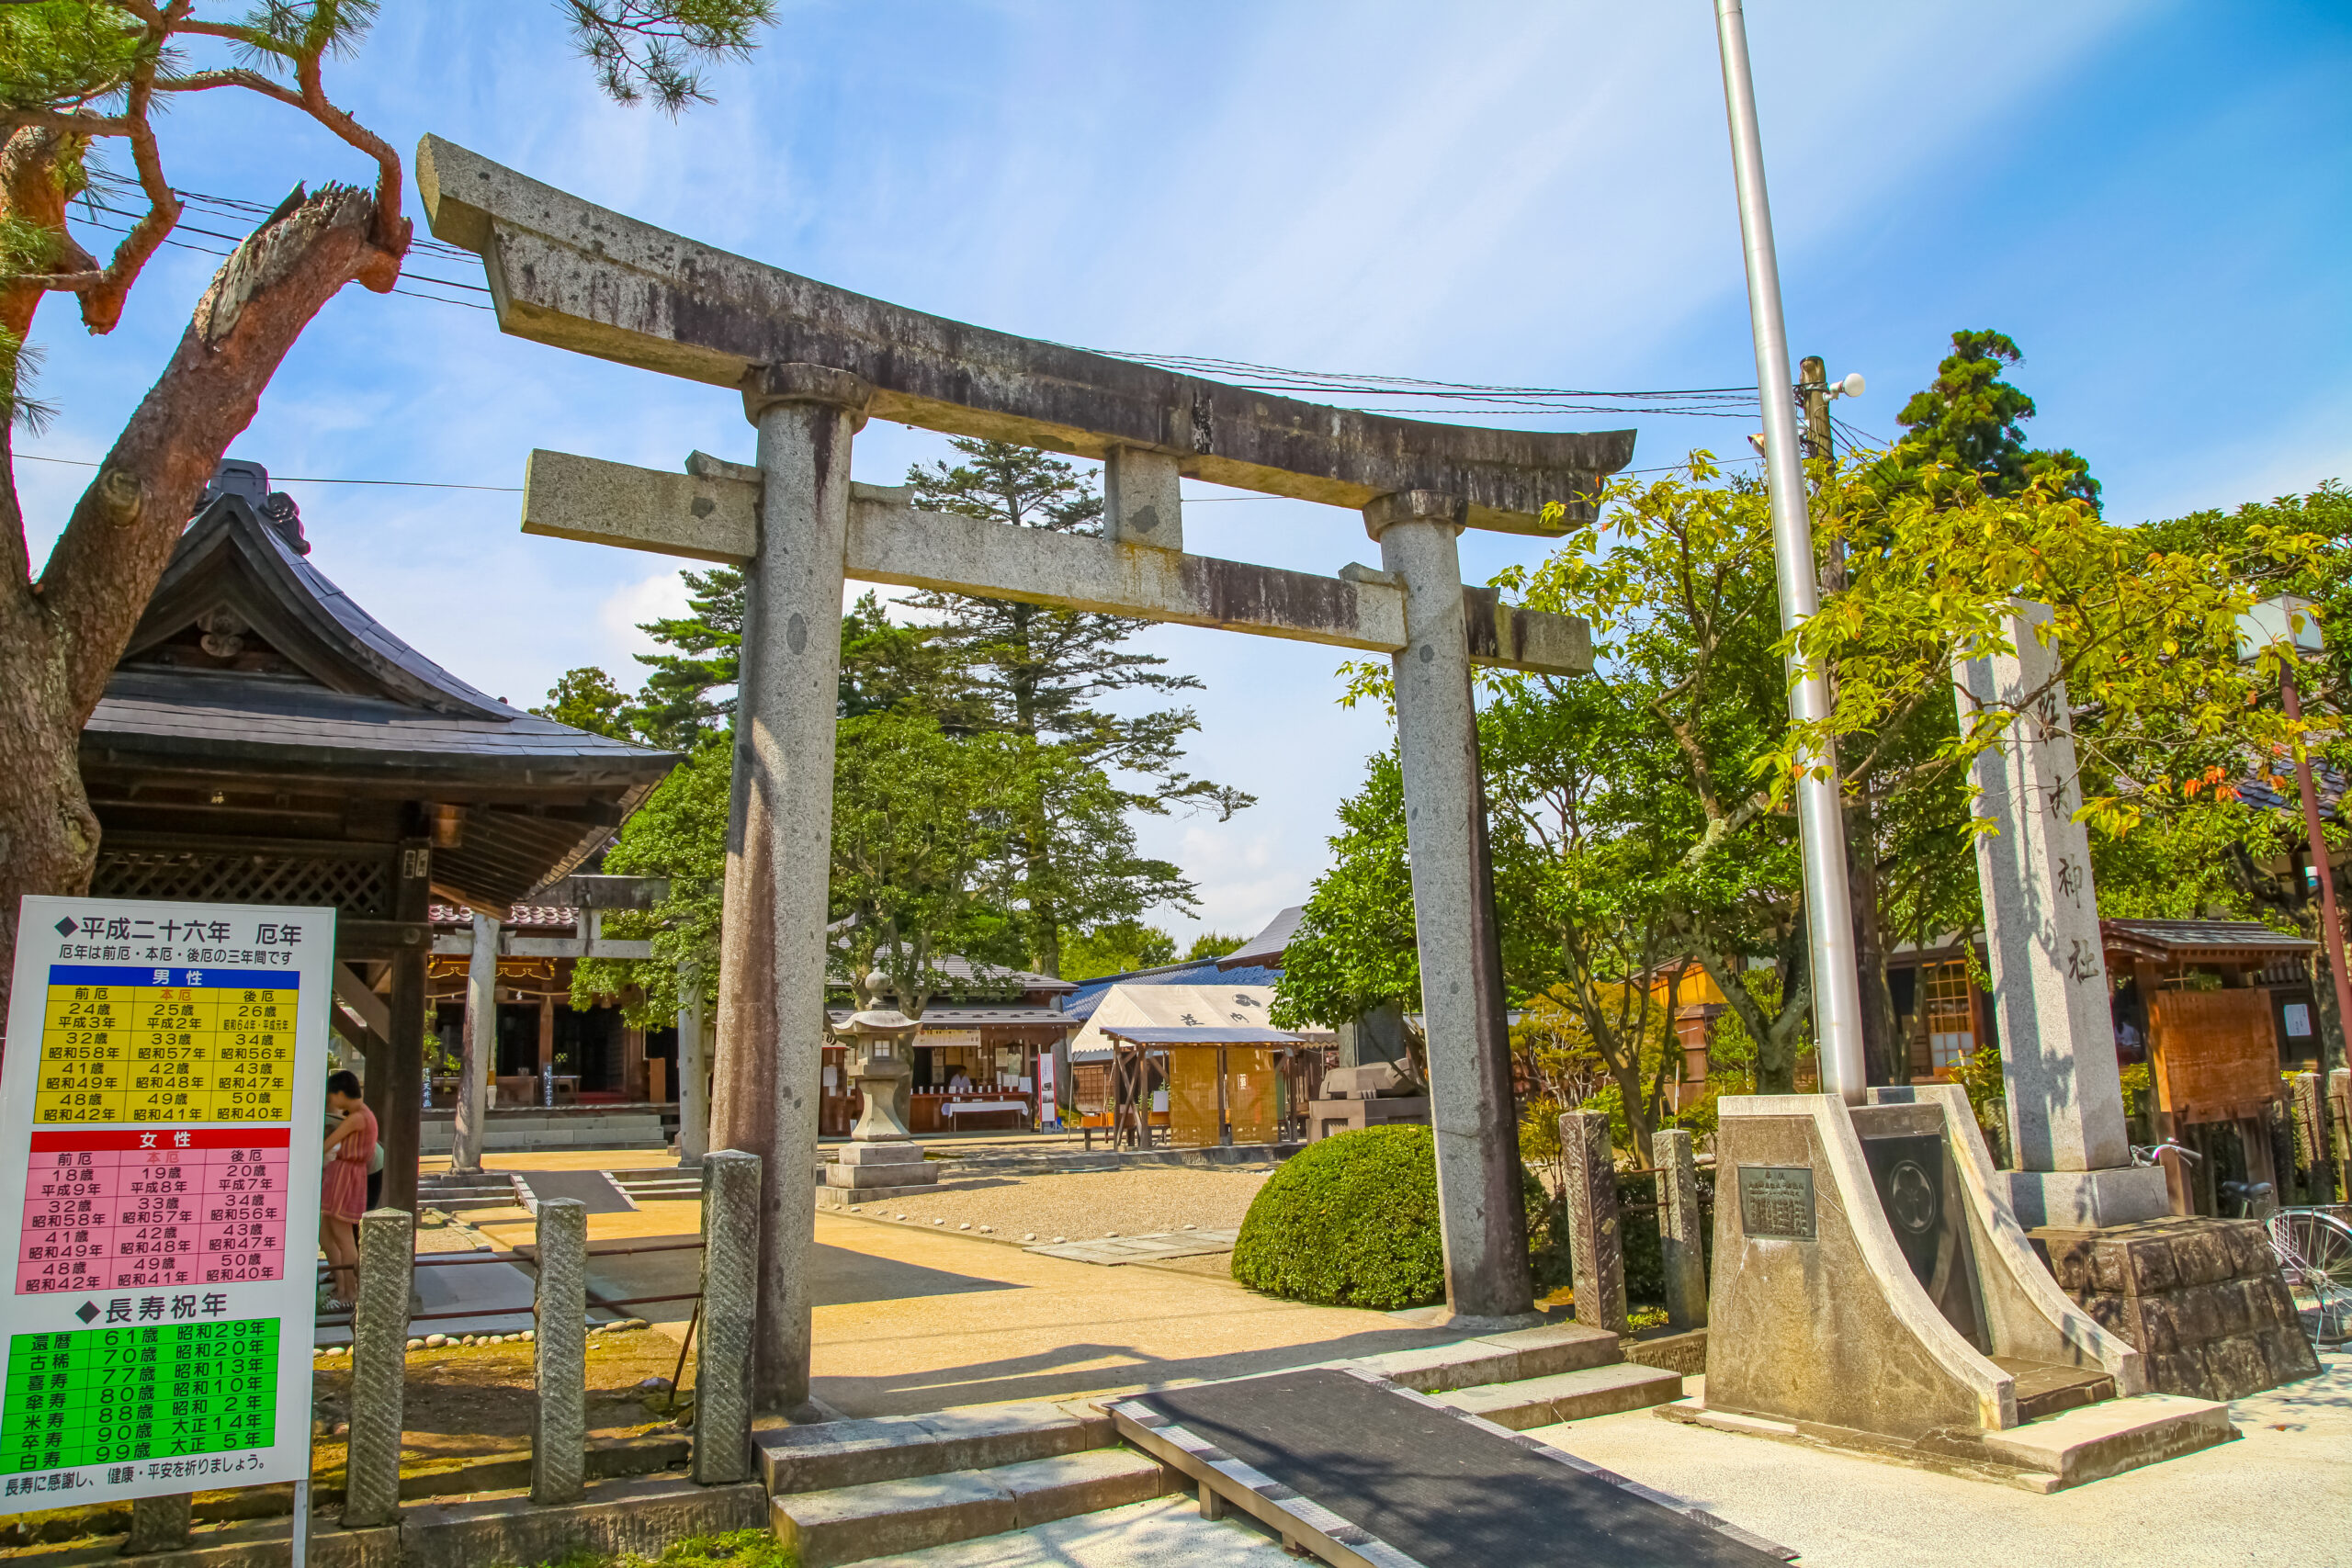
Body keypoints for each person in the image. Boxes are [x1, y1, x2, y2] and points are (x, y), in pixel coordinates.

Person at [321, 1071, 377, 1310]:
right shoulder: (362, 1114)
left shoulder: (357, 1117)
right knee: (330, 1235)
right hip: (346, 1174)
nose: (332, 1100)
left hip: (345, 1175)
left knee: (343, 1238)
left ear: (341, 1094)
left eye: (332, 1095)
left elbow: (327, 1144)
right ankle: (343, 1289)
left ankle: (349, 1293)